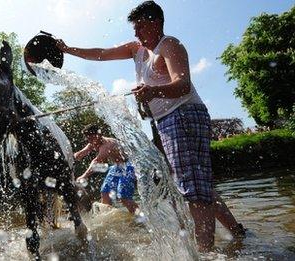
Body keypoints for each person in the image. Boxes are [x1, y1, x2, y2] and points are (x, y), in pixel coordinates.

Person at [56, 0, 244, 252]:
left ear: (156, 22)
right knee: (197, 184)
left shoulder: (170, 45)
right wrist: (68, 49)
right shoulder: (137, 49)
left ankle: (205, 252)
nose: (136, 33)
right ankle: (237, 233)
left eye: (141, 27)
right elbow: (100, 53)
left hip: (184, 115)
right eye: (135, 28)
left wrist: (152, 91)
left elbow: (183, 84)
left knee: (191, 188)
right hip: (166, 121)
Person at [74, 124, 139, 214]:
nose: (90, 141)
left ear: (98, 135)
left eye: (91, 138)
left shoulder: (108, 144)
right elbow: (80, 154)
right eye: (88, 139)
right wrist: (70, 157)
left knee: (123, 196)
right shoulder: (93, 143)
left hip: (128, 166)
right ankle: (108, 216)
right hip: (116, 167)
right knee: (105, 192)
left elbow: (97, 161)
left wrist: (84, 176)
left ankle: (139, 217)